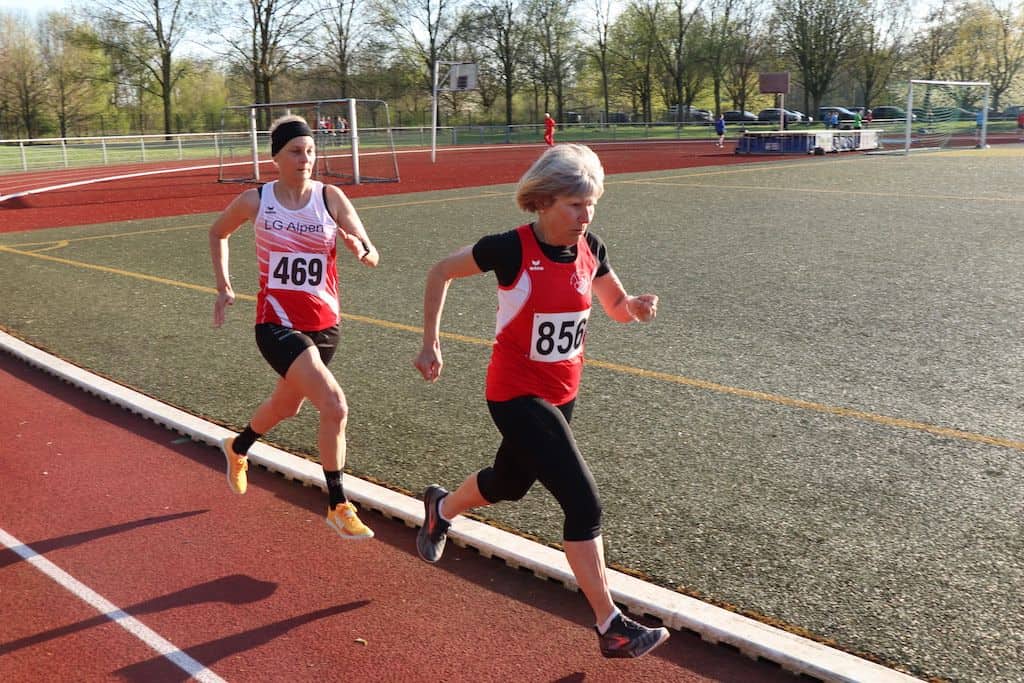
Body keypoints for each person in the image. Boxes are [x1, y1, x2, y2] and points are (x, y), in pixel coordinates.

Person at [412, 143, 668, 659]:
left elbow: (615, 306)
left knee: (508, 484)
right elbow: (440, 271)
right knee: (584, 503)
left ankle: (440, 508)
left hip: (562, 394)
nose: (585, 216)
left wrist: (635, 309)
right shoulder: (510, 248)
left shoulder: (591, 247)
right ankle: (610, 625)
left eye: (591, 204)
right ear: (545, 200)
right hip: (515, 394)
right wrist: (430, 342)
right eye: (575, 205)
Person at [209, 114, 379, 540]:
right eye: (296, 152)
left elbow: (372, 252)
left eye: (310, 151)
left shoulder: (330, 197)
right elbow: (217, 233)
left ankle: (237, 447)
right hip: (276, 323)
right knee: (335, 405)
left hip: (325, 325)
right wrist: (224, 286)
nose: (306, 159)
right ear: (276, 158)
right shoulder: (256, 200)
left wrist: (360, 249)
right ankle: (338, 504)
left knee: (287, 407)